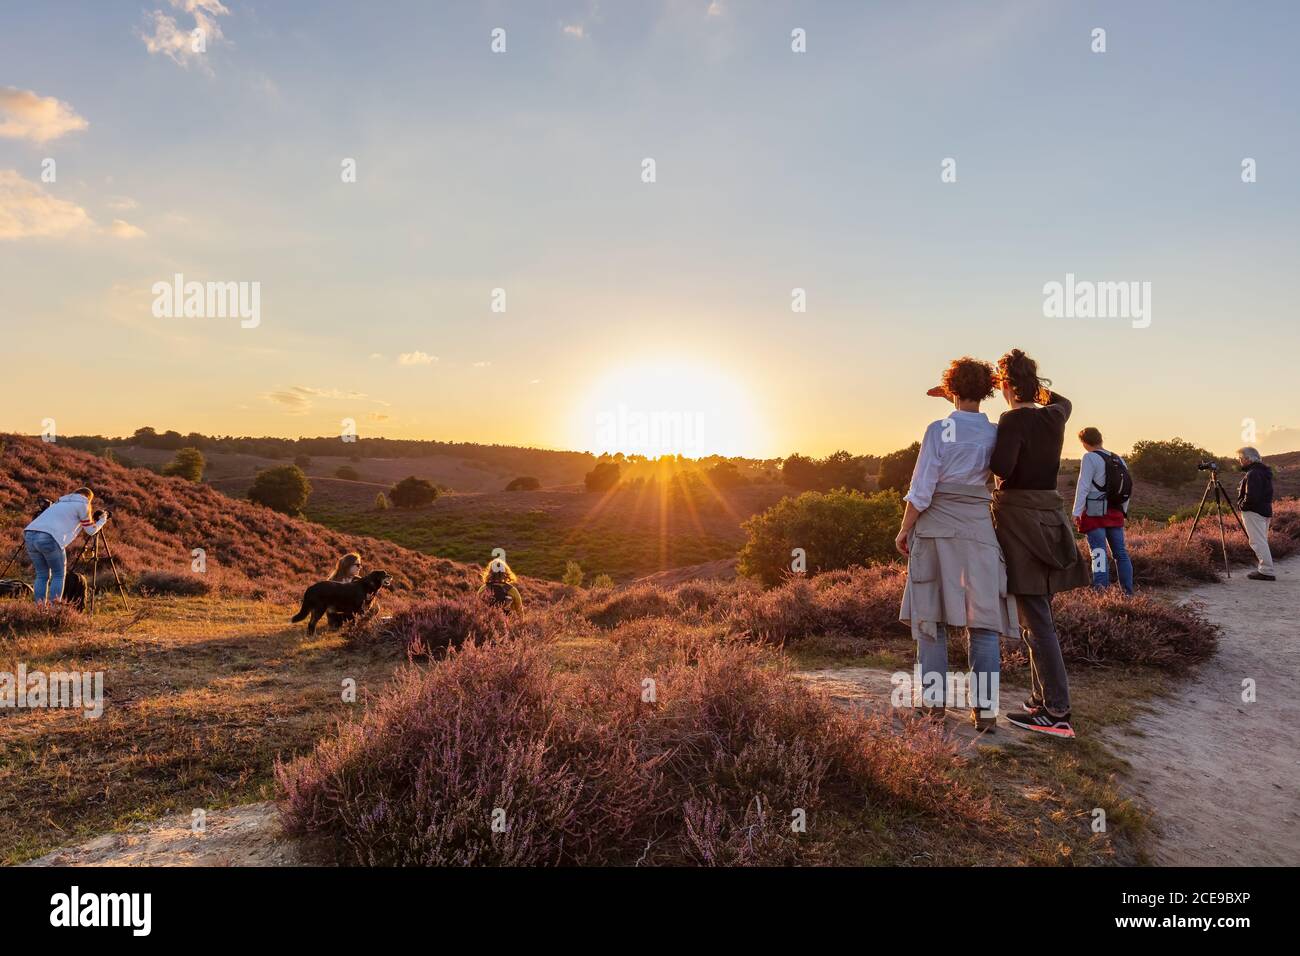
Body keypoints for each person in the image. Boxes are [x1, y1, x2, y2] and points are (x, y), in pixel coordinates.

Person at [896, 357, 1018, 732]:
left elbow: (921, 489)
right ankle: (985, 711)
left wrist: (904, 530)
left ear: (951, 390)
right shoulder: (997, 433)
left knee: (931, 618)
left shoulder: (938, 430)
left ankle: (932, 705)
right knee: (982, 623)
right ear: (987, 391)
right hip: (979, 531)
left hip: (935, 528)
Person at [988, 350, 1091, 739]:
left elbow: (1001, 467)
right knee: (1037, 614)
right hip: (1050, 515)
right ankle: (1040, 698)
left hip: (1021, 519)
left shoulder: (1013, 418)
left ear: (1006, 386)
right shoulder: (1055, 414)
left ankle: (1057, 712)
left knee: (1037, 618)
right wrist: (1034, 387)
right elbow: (1063, 401)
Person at [1071, 427, 1134, 596]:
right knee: (1121, 553)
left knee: (1098, 552)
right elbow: (1127, 487)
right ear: (1100, 439)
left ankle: (1101, 593)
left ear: (1084, 442)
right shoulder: (1119, 459)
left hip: (1095, 510)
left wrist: (1076, 511)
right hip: (1116, 510)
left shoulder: (1089, 457)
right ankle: (1128, 593)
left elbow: (1083, 486)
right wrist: (1124, 511)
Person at [23, 487, 109, 604]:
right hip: (49, 537)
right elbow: (90, 530)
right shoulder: (84, 504)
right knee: (58, 575)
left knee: (42, 575)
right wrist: (102, 520)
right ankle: (54, 609)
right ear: (88, 498)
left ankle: (39, 609)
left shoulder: (59, 503)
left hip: (29, 534)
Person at [1236, 446, 1275, 581]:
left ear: (1247, 459)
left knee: (1257, 541)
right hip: (1264, 510)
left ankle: (1266, 571)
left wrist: (1242, 505)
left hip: (1254, 511)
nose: (1239, 461)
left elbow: (1252, 496)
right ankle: (1265, 569)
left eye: (1240, 458)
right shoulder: (1263, 471)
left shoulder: (1253, 473)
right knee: (1261, 540)